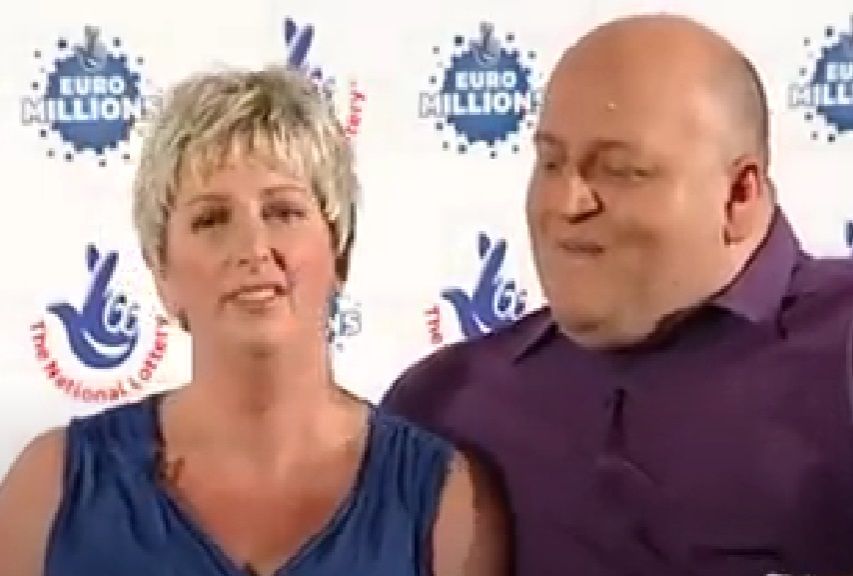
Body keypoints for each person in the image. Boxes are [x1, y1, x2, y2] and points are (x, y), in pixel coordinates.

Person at [382, 13, 853, 576]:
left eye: (621, 171)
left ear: (738, 193)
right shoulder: (445, 408)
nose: (567, 204)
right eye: (551, 163)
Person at [0, 65, 508, 576]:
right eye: (211, 220)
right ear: (162, 273)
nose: (253, 248)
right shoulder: (51, 492)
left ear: (340, 252)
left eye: (283, 212)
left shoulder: (443, 502)